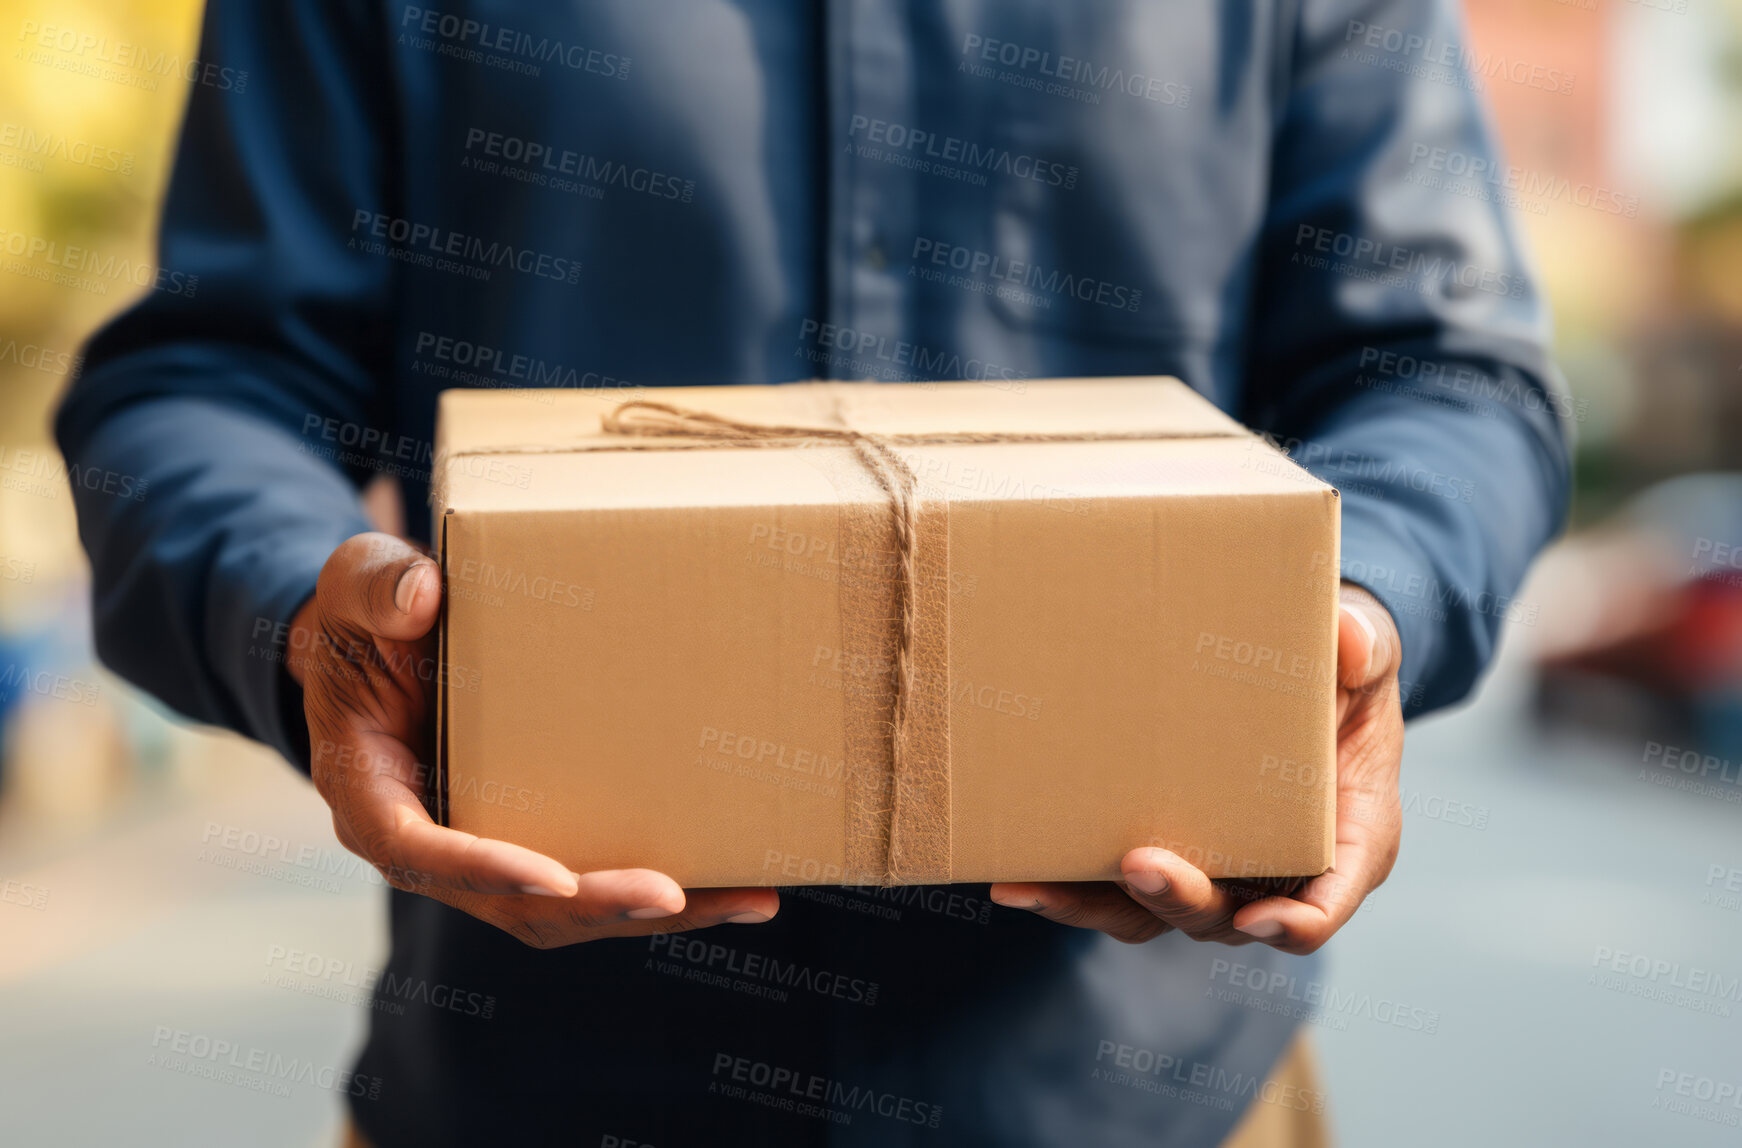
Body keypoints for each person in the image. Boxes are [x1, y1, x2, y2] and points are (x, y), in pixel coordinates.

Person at [57, 1, 1569, 1144]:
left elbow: (1444, 370)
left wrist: (1360, 605)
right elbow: (210, 372)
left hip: (1155, 1097)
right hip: (537, 1084)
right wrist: (298, 613)